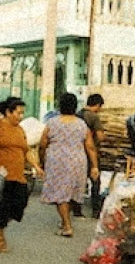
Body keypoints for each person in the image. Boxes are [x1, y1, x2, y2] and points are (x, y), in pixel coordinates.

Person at [0, 97, 44, 253]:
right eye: (18, 113)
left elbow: (26, 150)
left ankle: (0, 229)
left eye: (22, 113)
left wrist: (36, 165)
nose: (21, 116)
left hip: (18, 175)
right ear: (9, 112)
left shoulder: (19, 130)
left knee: (20, 203)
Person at [39, 92, 97, 238]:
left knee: (60, 194)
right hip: (77, 161)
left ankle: (67, 225)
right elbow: (90, 146)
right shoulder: (81, 124)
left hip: (57, 161)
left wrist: (42, 159)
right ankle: (65, 220)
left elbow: (43, 143)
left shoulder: (52, 123)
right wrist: (95, 166)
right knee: (71, 192)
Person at [78, 93, 106, 218]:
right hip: (90, 152)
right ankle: (95, 210)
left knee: (79, 181)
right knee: (95, 180)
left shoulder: (78, 115)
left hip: (77, 153)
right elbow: (100, 136)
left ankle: (76, 209)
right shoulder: (93, 117)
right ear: (98, 105)